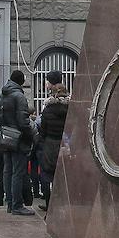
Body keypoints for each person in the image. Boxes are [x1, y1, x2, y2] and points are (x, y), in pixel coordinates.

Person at [0, 70, 35, 216]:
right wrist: (30, 134)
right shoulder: (19, 96)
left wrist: (4, 130)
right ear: (21, 81)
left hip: (6, 136)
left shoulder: (3, 94)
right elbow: (23, 120)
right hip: (19, 138)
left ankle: (10, 203)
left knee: (7, 171)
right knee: (18, 173)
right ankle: (17, 205)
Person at [37, 83, 70, 212]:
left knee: (47, 175)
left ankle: (49, 203)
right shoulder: (70, 109)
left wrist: (42, 143)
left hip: (50, 144)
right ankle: (63, 203)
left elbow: (43, 129)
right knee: (63, 175)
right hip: (66, 143)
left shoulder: (48, 109)